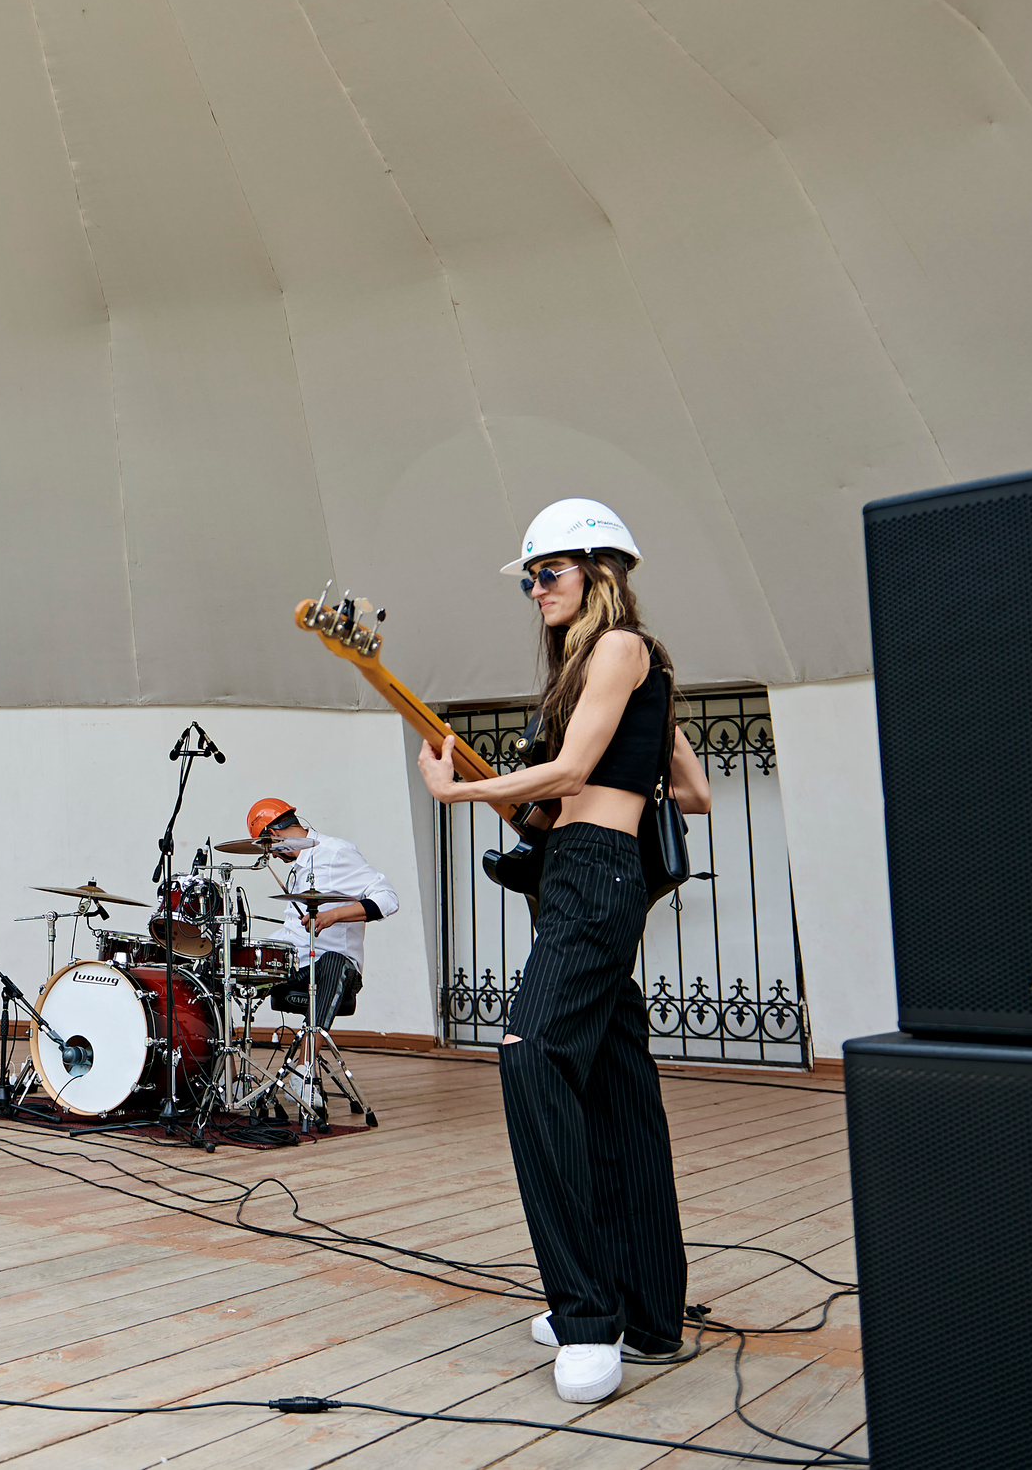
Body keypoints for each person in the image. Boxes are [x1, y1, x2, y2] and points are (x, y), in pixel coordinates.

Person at [415, 499, 713, 1405]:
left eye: (548, 572)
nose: (537, 589)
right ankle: (649, 1311)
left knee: (532, 1053)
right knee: (620, 1087)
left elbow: (575, 772)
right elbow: (693, 792)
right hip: (592, 870)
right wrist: (594, 782)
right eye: (530, 580)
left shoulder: (618, 646)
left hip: (593, 876)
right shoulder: (634, 667)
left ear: (599, 569)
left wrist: (458, 793)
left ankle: (586, 1315)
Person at [249, 795, 400, 1034]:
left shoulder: (335, 852)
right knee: (226, 965)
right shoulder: (300, 865)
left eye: (269, 848)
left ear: (273, 835)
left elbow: (388, 899)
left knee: (332, 962)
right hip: (296, 964)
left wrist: (333, 915)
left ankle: (307, 1055)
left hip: (334, 967)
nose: (274, 856)